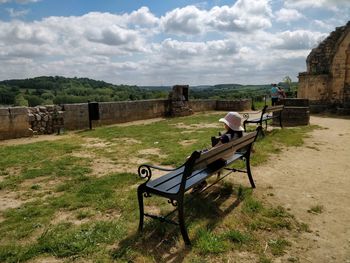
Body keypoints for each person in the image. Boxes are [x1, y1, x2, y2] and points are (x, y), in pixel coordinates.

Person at [193, 112, 244, 192]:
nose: (224, 125)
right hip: (224, 160)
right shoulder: (238, 135)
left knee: (193, 161)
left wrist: (207, 150)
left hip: (215, 162)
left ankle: (201, 183)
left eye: (225, 123)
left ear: (229, 125)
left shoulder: (226, 137)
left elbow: (215, 150)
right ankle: (200, 183)